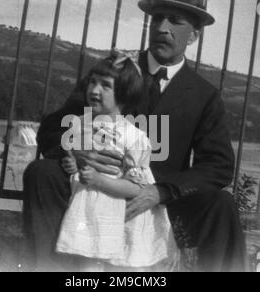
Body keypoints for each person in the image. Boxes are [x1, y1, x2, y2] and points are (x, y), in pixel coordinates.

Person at [23, 0, 247, 272]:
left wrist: (162, 191)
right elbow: (53, 129)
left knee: (221, 204)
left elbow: (218, 165)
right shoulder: (114, 71)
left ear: (194, 35)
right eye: (158, 18)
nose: (163, 28)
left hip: (164, 201)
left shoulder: (204, 95)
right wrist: (74, 151)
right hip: (96, 188)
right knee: (42, 172)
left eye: (175, 21)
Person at [55, 52, 177, 272]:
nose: (94, 90)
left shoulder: (134, 138)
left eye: (105, 86)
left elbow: (136, 187)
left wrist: (99, 180)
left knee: (123, 270)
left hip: (121, 215)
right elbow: (72, 155)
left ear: (123, 95)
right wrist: (72, 163)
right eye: (92, 82)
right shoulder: (81, 124)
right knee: (86, 267)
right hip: (87, 212)